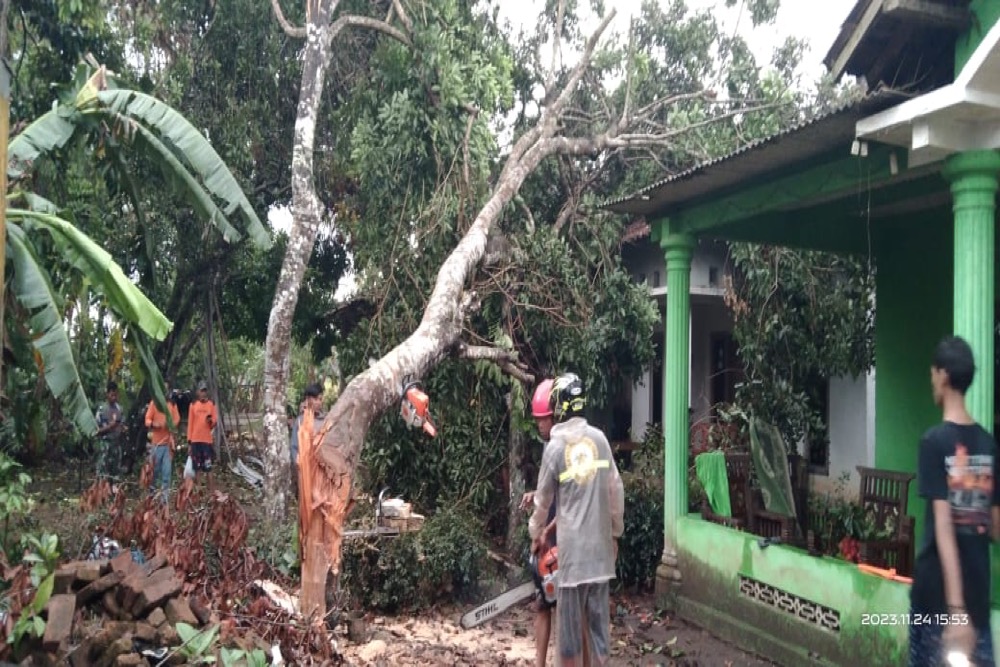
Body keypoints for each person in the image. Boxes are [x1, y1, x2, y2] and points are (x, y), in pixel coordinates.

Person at [909, 336, 999, 667]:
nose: (932, 380)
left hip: (939, 602)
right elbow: (994, 527)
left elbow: (944, 527)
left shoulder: (934, 442)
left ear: (943, 375)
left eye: (933, 373)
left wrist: (956, 610)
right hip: (977, 601)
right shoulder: (989, 446)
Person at [530, 373, 624, 667]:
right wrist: (615, 535)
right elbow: (616, 490)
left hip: (571, 561)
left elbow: (542, 500)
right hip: (600, 556)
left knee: (569, 637)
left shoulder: (555, 448)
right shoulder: (600, 440)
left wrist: (536, 534)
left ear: (558, 407)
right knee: (599, 635)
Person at [520, 378, 559, 667]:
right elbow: (551, 492)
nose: (539, 425)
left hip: (564, 537)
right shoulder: (549, 448)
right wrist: (535, 495)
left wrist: (545, 531)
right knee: (542, 606)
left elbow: (572, 503)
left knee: (570, 611)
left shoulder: (565, 447)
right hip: (549, 537)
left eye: (542, 420)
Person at [145, 382, 181, 504]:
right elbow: (147, 419)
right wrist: (154, 424)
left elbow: (177, 419)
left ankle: (163, 501)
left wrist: (170, 424)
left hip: (167, 445)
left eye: (166, 389)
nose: (164, 391)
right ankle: (151, 497)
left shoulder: (172, 404)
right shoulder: (154, 403)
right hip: (156, 444)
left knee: (166, 473)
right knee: (154, 472)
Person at [289, 383, 324, 498]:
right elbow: (294, 447)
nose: (319, 402)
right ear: (308, 399)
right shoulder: (300, 422)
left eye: (320, 399)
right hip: (305, 472)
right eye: (315, 399)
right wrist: (300, 466)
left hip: (322, 473)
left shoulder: (325, 421)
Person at [186, 381, 219, 495]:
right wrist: (189, 442)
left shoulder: (211, 404)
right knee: (197, 468)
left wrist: (211, 421)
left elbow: (214, 422)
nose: (203, 393)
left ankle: (211, 492)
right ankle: (199, 491)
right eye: (201, 391)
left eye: (205, 391)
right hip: (195, 440)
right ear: (197, 392)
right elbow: (190, 424)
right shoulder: (193, 405)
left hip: (206, 441)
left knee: (208, 468)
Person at [95, 381, 126, 482]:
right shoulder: (101, 410)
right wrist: (110, 427)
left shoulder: (120, 409)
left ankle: (114, 492)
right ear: (107, 394)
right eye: (112, 395)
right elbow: (96, 431)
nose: (114, 397)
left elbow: (122, 423)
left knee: (116, 471)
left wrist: (123, 428)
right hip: (105, 443)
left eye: (116, 395)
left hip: (116, 444)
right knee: (103, 471)